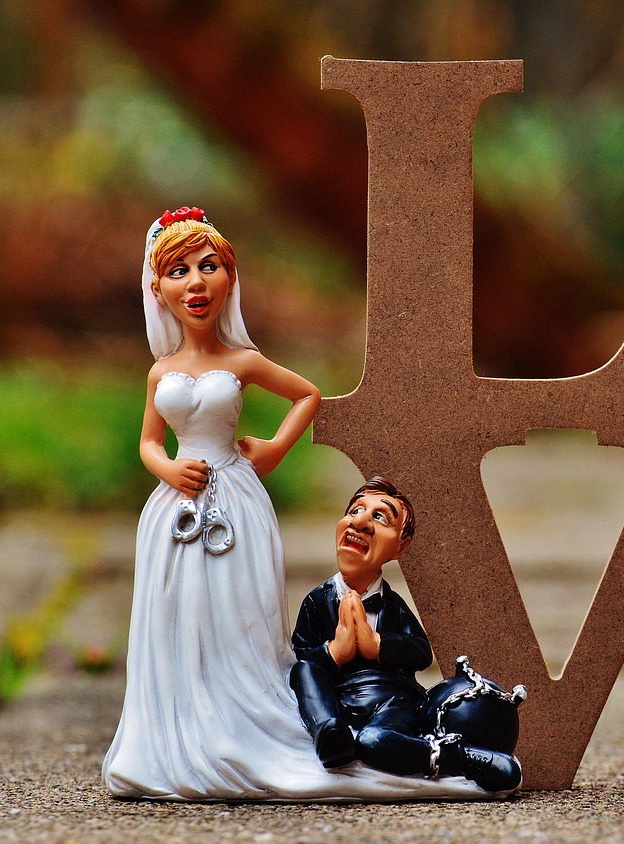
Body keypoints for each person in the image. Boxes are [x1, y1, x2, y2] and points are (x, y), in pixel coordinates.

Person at [102, 208, 488, 801]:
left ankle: (238, 716)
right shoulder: (161, 373)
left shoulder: (242, 361)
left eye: (209, 267)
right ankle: (176, 727)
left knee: (231, 609)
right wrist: (168, 467)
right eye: (179, 272)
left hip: (233, 499)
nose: (196, 283)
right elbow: (149, 442)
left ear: (230, 278)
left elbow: (306, 394)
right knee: (177, 610)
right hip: (175, 510)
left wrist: (275, 449)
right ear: (159, 289)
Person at [289, 477, 524, 795]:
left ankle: (459, 757)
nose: (361, 521)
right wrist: (335, 653)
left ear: (400, 547)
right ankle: (329, 736)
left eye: (379, 517)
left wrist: (377, 646)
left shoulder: (393, 605)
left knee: (375, 741)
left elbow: (421, 652)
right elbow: (300, 656)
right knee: (304, 671)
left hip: (391, 700)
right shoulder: (317, 601)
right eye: (355, 510)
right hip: (337, 698)